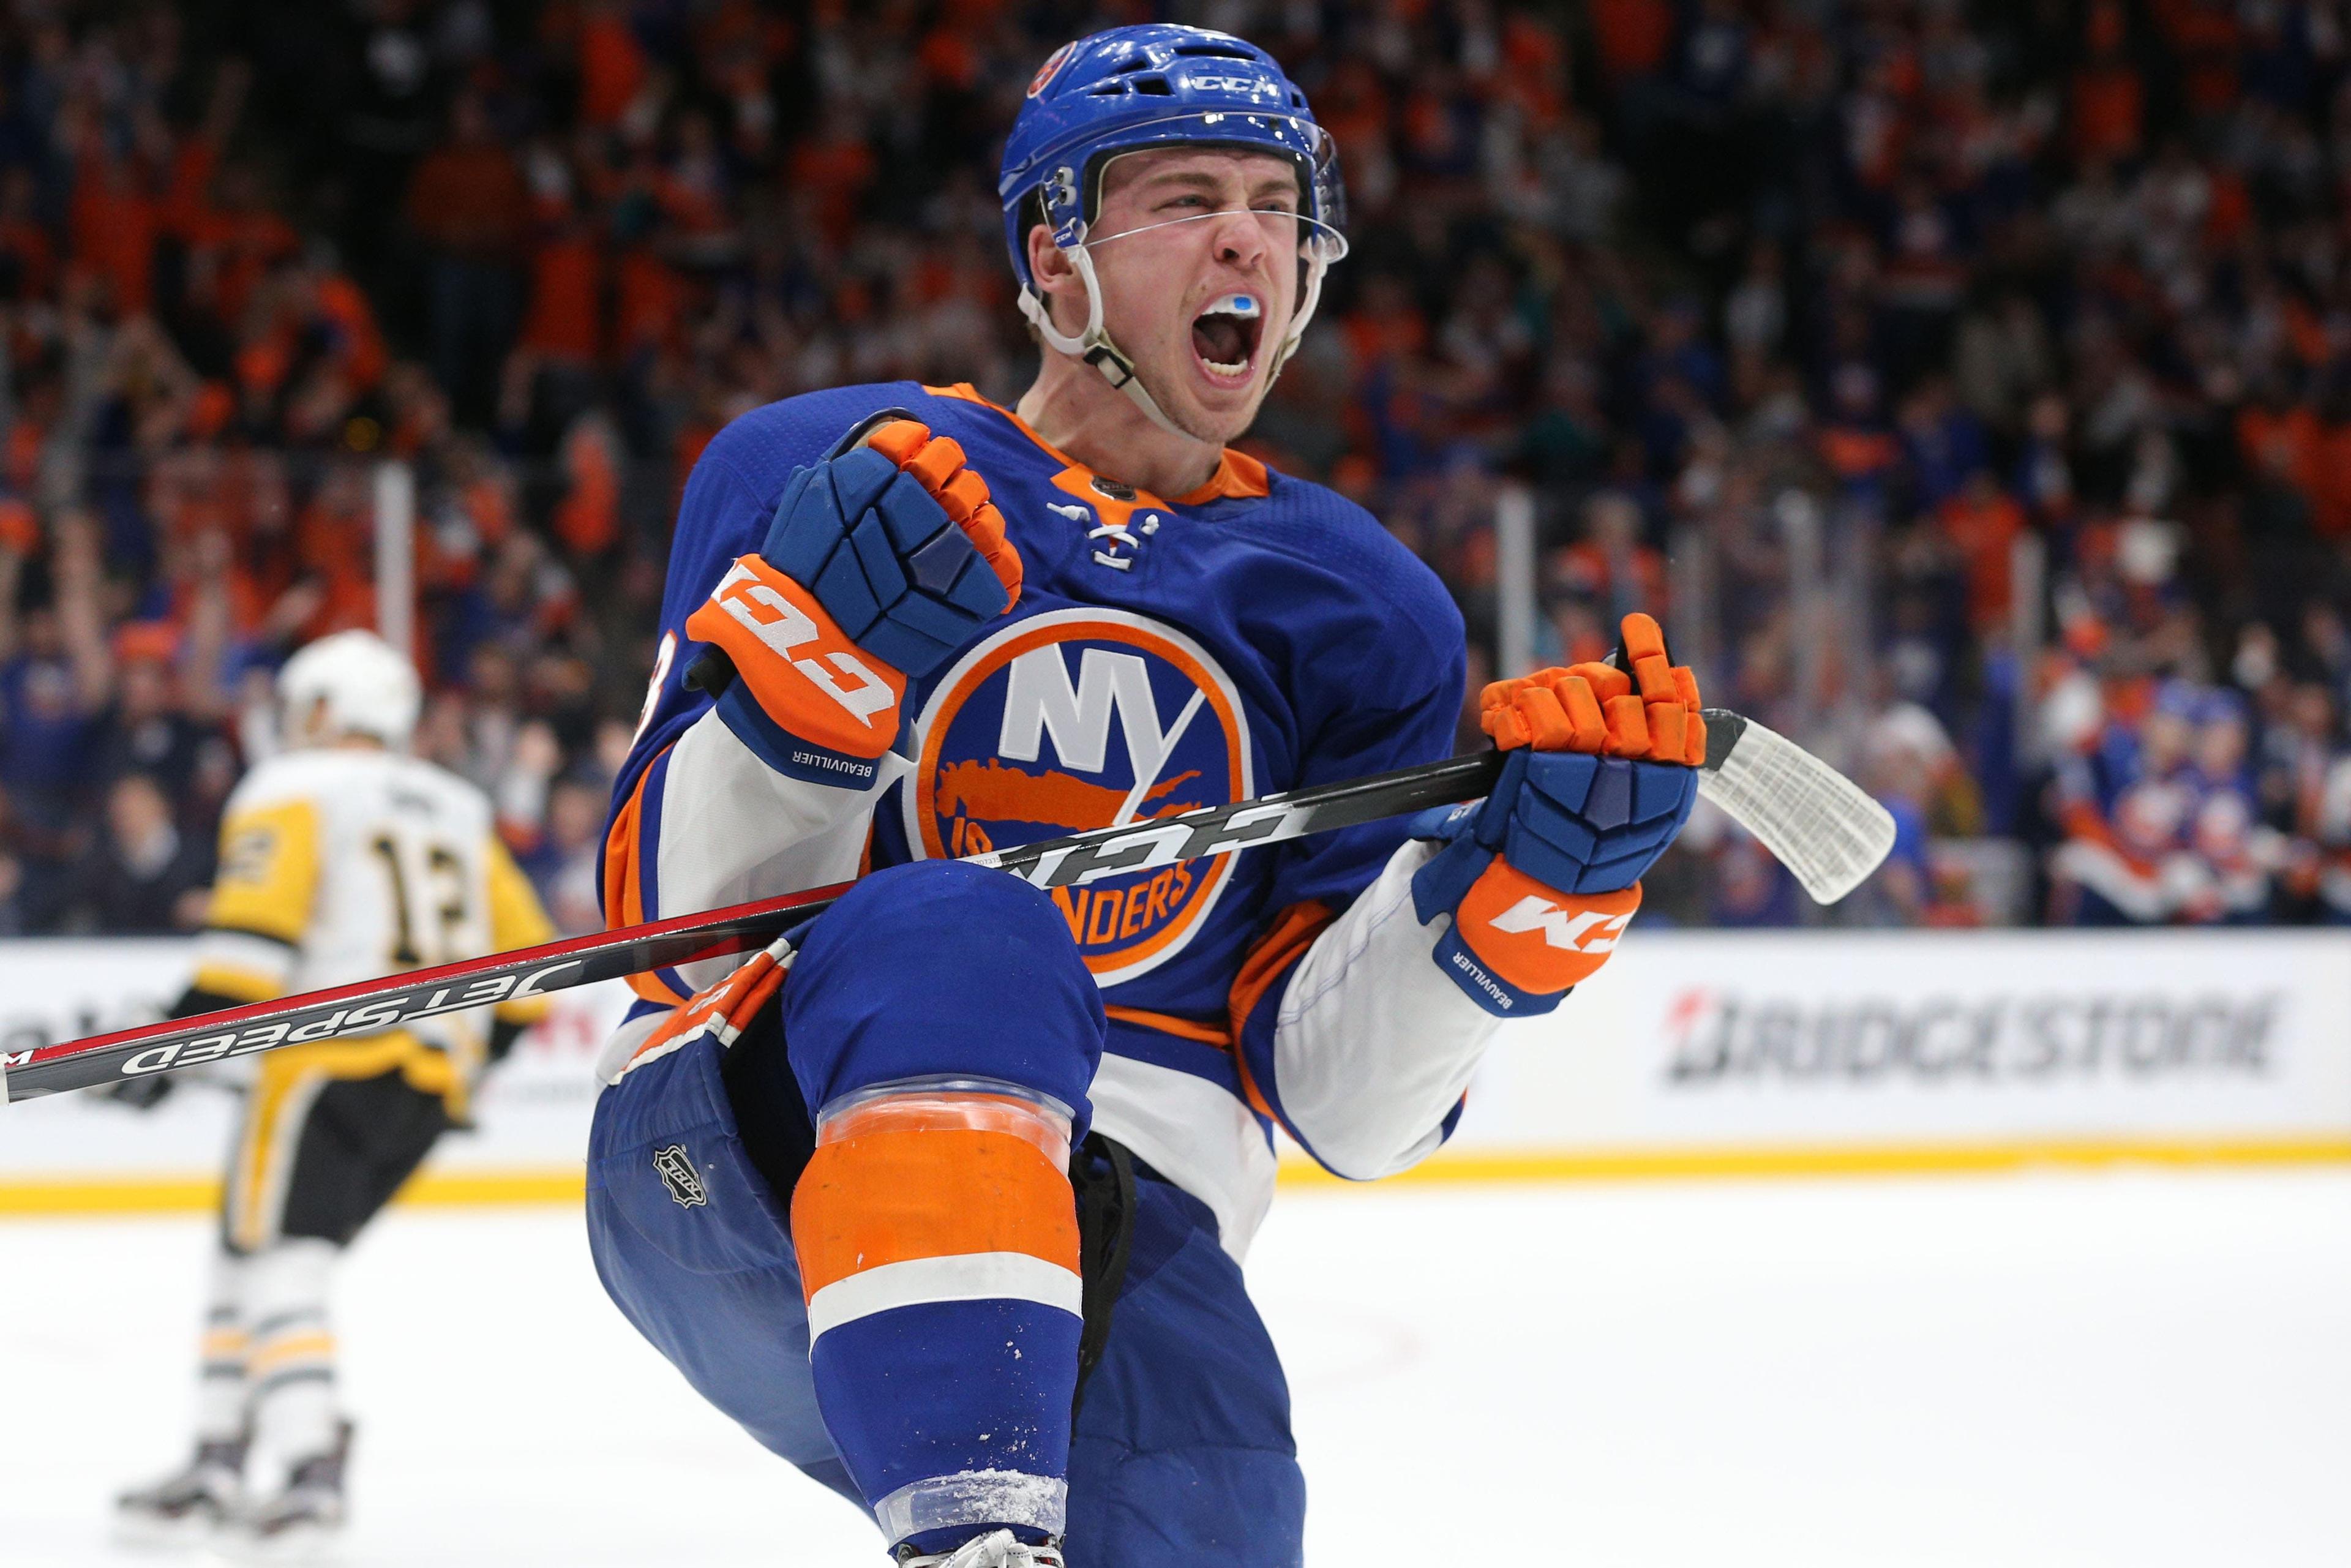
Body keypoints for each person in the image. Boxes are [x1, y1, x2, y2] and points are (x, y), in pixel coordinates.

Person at [585, 26, 1708, 1568]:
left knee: (1220, 1526)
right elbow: (677, 937)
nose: (1247, 234)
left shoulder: (1366, 609)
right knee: (963, 933)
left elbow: (1347, 1110)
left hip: (1124, 1235)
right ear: (1056, 262)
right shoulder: (831, 460)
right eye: (1185, 196)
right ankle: (975, 1537)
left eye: (1274, 204)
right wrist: (805, 695)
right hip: (742, 1147)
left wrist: (1511, 905)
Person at [109, 629, 556, 1550]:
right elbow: (531, 977)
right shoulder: (462, 807)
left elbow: (246, 955)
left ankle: (311, 1464)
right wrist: (467, 1066)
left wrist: (153, 1059)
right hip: (430, 1082)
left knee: (280, 1261)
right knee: (250, 1249)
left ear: (322, 710)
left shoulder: (292, 788)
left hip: (324, 1062)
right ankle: (219, 1453)